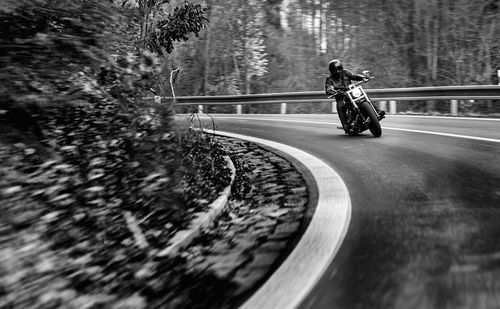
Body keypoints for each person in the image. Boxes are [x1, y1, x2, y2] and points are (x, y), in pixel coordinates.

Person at [325, 59, 385, 134]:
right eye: (335, 70)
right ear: (331, 71)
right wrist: (332, 91)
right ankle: (345, 125)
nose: (338, 71)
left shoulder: (346, 72)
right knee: (340, 105)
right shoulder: (329, 79)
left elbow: (354, 76)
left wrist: (362, 78)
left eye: (339, 69)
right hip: (341, 96)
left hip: (351, 93)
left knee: (363, 96)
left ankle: (377, 111)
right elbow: (328, 88)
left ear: (341, 68)